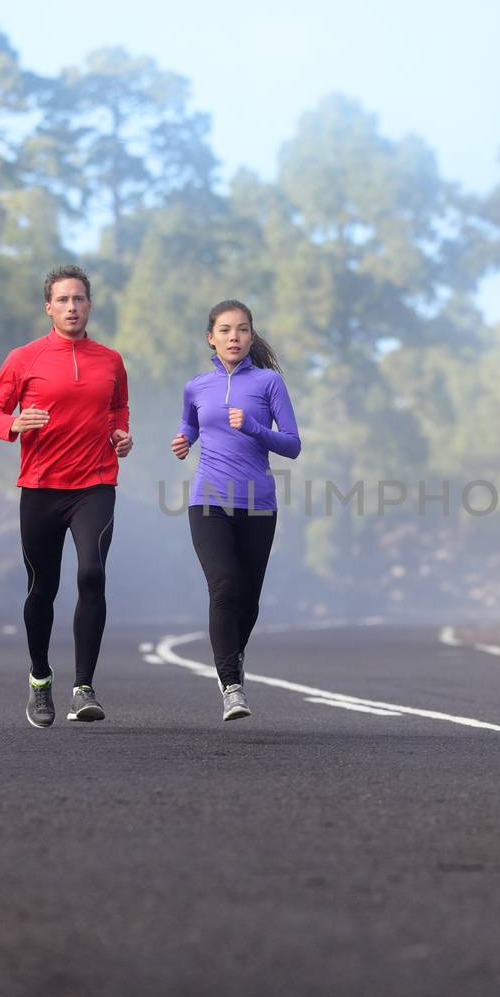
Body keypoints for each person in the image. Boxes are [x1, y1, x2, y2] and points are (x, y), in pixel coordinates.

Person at [0, 265, 132, 728]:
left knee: (92, 573)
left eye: (79, 299)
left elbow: (118, 408)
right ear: (49, 307)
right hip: (42, 487)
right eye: (63, 300)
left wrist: (122, 435)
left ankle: (83, 686)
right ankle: (40, 680)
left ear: (90, 305)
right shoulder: (24, 358)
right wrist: (12, 424)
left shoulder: (110, 360)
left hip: (95, 484)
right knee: (42, 588)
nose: (72, 307)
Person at [171, 300, 301, 721]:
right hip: (207, 499)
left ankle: (233, 656)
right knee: (224, 586)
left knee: (248, 599)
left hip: (258, 504)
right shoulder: (196, 385)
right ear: (211, 337)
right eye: (225, 330)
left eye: (242, 330)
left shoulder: (269, 384)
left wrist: (254, 428)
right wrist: (183, 439)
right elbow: (192, 423)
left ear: (251, 336)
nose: (234, 337)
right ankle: (231, 685)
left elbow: (293, 445)